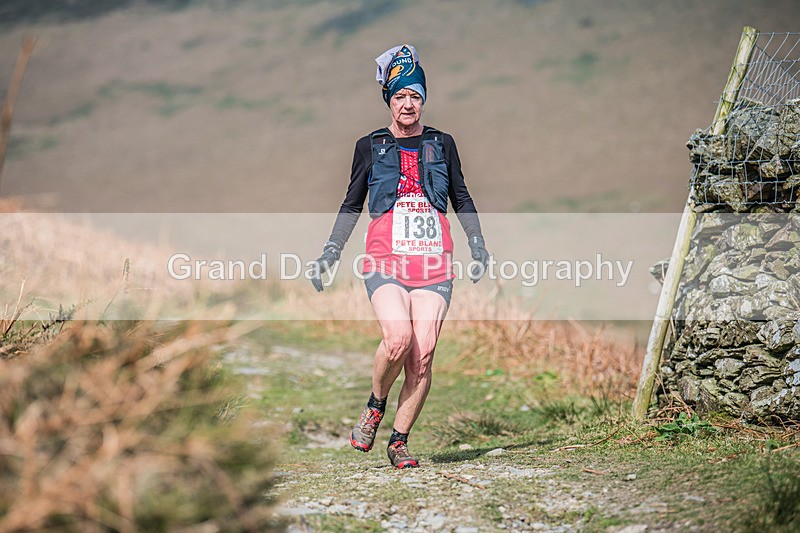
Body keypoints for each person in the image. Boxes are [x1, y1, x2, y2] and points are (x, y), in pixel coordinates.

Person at [310, 44, 490, 469]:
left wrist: (478, 244)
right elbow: (352, 203)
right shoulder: (369, 146)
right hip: (384, 257)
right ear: (388, 101)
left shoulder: (442, 143)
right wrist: (330, 252)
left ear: (423, 100)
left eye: (415, 96)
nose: (407, 104)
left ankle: (399, 442)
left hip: (433, 261)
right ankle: (375, 406)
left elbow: (461, 196)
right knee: (398, 340)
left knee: (423, 352)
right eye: (399, 97)